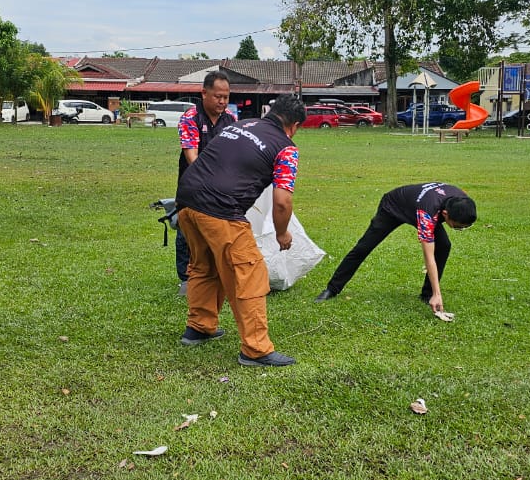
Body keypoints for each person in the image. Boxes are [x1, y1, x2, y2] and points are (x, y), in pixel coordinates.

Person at [174, 94, 308, 367]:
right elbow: (282, 201)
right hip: (220, 210)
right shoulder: (286, 148)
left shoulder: (239, 125)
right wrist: (282, 233)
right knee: (250, 273)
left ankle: (199, 327)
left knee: (204, 266)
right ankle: (256, 349)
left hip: (186, 201)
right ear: (294, 126)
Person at [314, 183, 477, 316]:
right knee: (364, 247)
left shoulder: (462, 198)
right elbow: (429, 257)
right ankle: (332, 289)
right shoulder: (427, 212)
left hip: (419, 206)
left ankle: (427, 295)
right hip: (393, 207)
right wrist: (438, 294)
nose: (460, 229)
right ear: (446, 214)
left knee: (444, 246)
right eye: (457, 227)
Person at [174, 71, 236, 296]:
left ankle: (214, 274)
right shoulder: (191, 118)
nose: (222, 102)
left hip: (221, 187)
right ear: (204, 93)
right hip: (192, 186)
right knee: (187, 230)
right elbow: (192, 157)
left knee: (218, 229)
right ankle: (186, 278)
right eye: (218, 96)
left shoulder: (230, 119)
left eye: (226, 97)